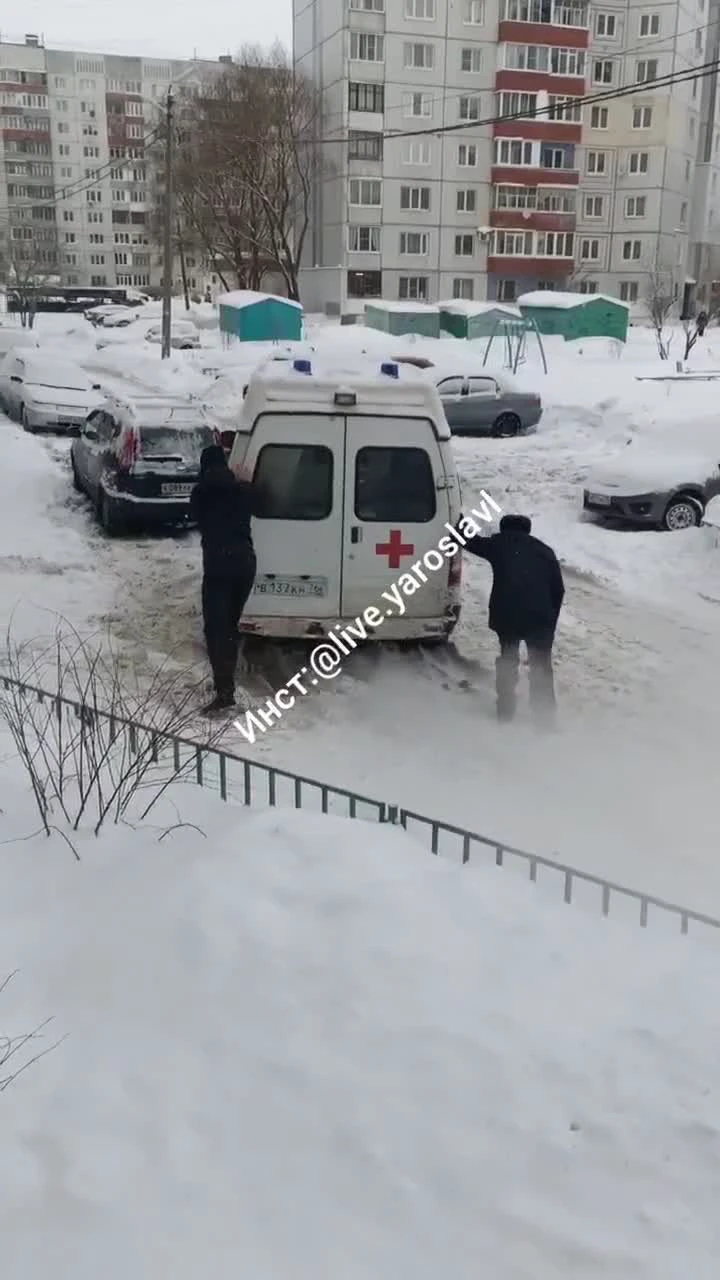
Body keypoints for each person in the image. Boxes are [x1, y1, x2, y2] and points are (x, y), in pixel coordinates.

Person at [460, 513, 564, 724]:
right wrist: (549, 624)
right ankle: (545, 718)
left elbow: (471, 541)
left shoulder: (501, 543)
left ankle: (505, 711)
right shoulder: (545, 551)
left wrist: (457, 519)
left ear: (504, 528)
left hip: (508, 615)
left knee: (508, 659)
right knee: (541, 667)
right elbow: (558, 590)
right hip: (540, 617)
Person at [189, 444, 263, 715]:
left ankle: (224, 691)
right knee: (230, 625)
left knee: (215, 629)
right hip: (245, 563)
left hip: (219, 566)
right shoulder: (242, 490)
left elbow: (193, 517)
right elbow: (264, 501)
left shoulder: (201, 492)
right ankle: (225, 682)